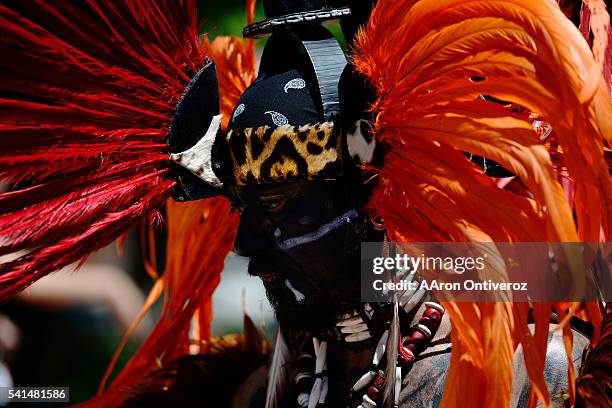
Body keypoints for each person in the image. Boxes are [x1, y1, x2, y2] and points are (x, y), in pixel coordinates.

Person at [0, 0, 610, 407]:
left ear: (368, 197)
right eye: (243, 209)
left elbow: (577, 273)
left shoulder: (531, 372)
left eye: (277, 204)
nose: (251, 245)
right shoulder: (260, 389)